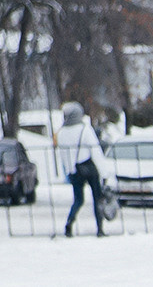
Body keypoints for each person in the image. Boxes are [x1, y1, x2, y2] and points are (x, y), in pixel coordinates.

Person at [57, 102, 113, 237]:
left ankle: (69, 225)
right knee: (97, 197)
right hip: (88, 166)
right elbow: (96, 152)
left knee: (78, 200)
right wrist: (104, 173)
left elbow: (64, 155)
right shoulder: (85, 129)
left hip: (74, 170)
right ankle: (100, 228)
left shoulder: (61, 132)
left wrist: (70, 170)